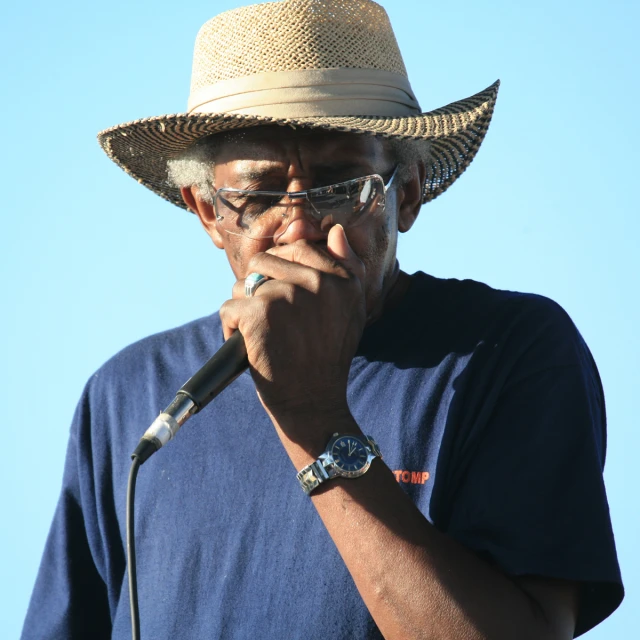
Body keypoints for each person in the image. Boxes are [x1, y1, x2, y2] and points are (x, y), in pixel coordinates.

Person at [22, 1, 623, 638]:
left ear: (410, 191)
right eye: (257, 197)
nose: (301, 228)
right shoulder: (131, 397)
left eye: (340, 185)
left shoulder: (506, 352)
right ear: (206, 212)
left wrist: (315, 416)